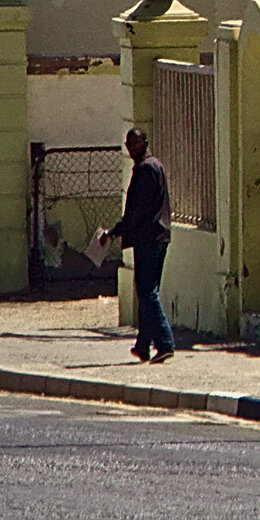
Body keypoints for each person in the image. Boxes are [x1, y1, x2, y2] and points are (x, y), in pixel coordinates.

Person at [98, 126, 174, 363]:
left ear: (145, 143)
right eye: (128, 144)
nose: (131, 148)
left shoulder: (145, 169)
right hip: (156, 236)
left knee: (147, 292)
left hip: (149, 237)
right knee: (146, 291)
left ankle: (164, 341)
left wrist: (115, 232)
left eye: (135, 143)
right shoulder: (154, 167)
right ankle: (143, 345)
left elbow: (137, 211)